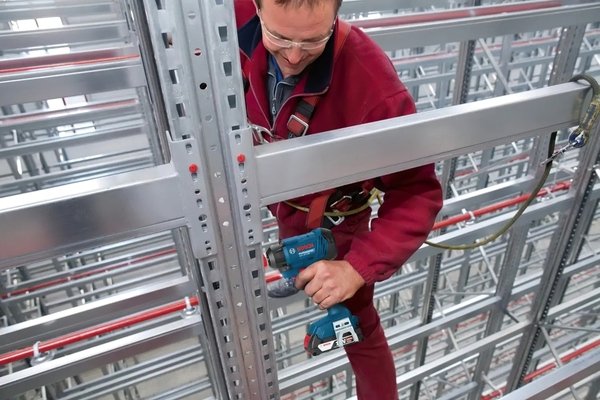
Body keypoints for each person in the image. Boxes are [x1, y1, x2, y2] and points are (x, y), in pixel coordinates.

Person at [235, 0, 443, 398]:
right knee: (293, 252)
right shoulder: (227, 18)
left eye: (313, 41)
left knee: (358, 322)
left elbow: (416, 192)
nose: (293, 57)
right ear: (256, 9)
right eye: (279, 37)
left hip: (335, 221)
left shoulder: (375, 88)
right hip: (285, 198)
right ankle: (296, 274)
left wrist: (355, 268)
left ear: (336, 15)